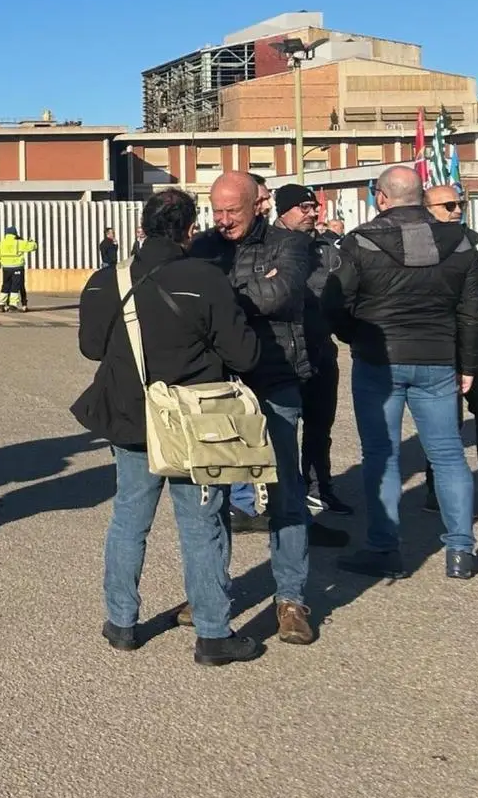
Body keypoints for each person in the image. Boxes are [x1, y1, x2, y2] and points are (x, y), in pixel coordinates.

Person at [73, 187, 264, 666]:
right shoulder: (207, 277)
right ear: (189, 230)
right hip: (194, 426)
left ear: (141, 227)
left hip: (132, 421)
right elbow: (246, 354)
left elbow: (91, 348)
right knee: (201, 526)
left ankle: (121, 623)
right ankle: (213, 634)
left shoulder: (104, 281)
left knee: (128, 521)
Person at [332, 166, 478, 581]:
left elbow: (335, 302)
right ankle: (461, 551)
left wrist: (355, 338)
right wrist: (468, 363)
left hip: (378, 359)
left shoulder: (360, 240)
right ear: (421, 197)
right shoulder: (459, 241)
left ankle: (384, 548)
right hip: (439, 357)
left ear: (381, 198)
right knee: (450, 454)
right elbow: (474, 312)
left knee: (382, 455)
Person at [187, 169, 315, 640]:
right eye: (216, 211)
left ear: (258, 204)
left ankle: (291, 600)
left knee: (285, 493)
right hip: (218, 386)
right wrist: (244, 294)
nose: (223, 220)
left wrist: (219, 298)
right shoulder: (203, 246)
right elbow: (187, 301)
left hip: (276, 382)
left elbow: (280, 295)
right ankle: (210, 593)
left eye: (232, 211)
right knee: (213, 495)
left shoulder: (291, 244)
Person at [273, 183, 351, 516]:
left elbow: (343, 296)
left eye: (314, 207)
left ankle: (319, 488)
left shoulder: (326, 249)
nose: (312, 213)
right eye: (303, 208)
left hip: (320, 350)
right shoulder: (263, 247)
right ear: (283, 210)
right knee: (280, 432)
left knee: (320, 427)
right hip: (281, 355)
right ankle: (281, 500)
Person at [423, 183, 478, 514]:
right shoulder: (421, 245)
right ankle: (437, 494)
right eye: (448, 205)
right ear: (428, 209)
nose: (457, 209)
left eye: (459, 203)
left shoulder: (468, 241)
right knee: (444, 425)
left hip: (477, 345)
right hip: (439, 345)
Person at [0, 226, 36, 312]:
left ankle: (1, 303)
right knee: (15, 286)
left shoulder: (0, 244)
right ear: (15, 234)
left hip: (6, 268)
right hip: (17, 267)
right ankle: (13, 305)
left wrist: (3, 261)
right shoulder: (19, 243)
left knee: (5, 285)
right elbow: (33, 247)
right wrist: (32, 242)